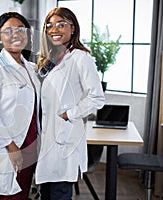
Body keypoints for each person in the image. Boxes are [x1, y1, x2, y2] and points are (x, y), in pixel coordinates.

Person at [35, 7, 105, 200]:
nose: (54, 30)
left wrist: (69, 114)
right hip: (46, 138)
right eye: (49, 26)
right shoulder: (48, 60)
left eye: (61, 25)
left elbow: (97, 98)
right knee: (46, 194)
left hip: (65, 139)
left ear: (72, 28)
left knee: (59, 192)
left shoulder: (81, 59)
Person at [0, 12, 41, 200]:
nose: (16, 34)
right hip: (9, 146)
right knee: (10, 196)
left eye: (21, 29)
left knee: (22, 194)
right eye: (8, 31)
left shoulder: (31, 68)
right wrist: (11, 146)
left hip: (30, 144)